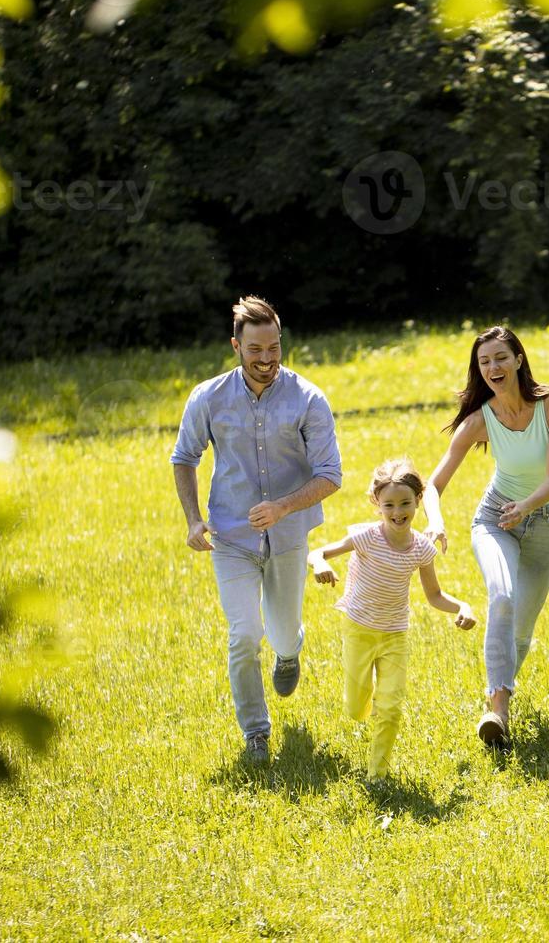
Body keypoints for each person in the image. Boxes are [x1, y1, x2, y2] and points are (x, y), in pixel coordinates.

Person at [170, 296, 342, 764]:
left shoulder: (308, 398)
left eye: (274, 348)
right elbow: (184, 457)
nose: (266, 360)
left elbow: (331, 474)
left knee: (283, 634)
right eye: (255, 351)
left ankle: (289, 653)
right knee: (244, 633)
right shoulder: (208, 397)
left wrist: (284, 507)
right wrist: (192, 519)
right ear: (235, 346)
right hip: (231, 537)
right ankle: (256, 734)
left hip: (289, 537)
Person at [422, 326, 549, 751]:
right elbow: (434, 484)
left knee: (521, 629)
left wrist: (525, 507)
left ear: (518, 359)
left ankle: (500, 693)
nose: (493, 367)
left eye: (500, 357)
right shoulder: (480, 420)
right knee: (501, 597)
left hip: (545, 520)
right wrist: (436, 521)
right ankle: (497, 709)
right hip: (494, 519)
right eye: (484, 362)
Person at [308, 458, 476, 781]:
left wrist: (462, 607)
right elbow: (318, 553)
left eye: (405, 503)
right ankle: (366, 696)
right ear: (376, 504)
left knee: (391, 707)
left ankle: (377, 775)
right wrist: (319, 566)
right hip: (359, 629)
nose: (398, 512)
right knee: (357, 709)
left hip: (395, 635)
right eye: (389, 505)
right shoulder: (366, 537)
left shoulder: (421, 549)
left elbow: (434, 596)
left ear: (418, 501)